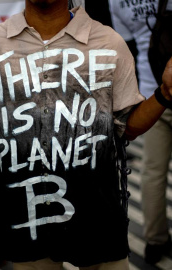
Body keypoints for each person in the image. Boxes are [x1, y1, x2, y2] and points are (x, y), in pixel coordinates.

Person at [0, 0, 172, 269]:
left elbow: (129, 126)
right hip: (24, 217)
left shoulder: (108, 43)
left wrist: (164, 94)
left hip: (95, 213)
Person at [109, 0, 172, 265]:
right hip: (162, 90)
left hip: (152, 97)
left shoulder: (115, 2)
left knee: (153, 171)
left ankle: (155, 240)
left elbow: (126, 50)